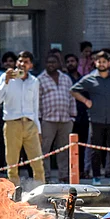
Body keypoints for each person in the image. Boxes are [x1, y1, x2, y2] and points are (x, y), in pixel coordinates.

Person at [71, 50, 110, 187]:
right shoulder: (89, 79)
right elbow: (73, 90)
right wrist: (86, 101)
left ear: (109, 63)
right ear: (95, 63)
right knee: (95, 150)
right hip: (96, 119)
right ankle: (96, 177)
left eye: (104, 61)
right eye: (99, 61)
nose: (102, 64)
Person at [0, 51, 45, 185]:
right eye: (20, 61)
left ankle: (40, 190)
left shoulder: (34, 81)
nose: (22, 64)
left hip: (30, 124)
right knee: (12, 163)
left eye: (26, 62)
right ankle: (13, 192)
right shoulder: (6, 77)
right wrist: (6, 81)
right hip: (12, 123)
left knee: (37, 161)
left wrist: (38, 130)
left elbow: (35, 107)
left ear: (31, 65)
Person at [39, 54, 77, 182]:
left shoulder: (66, 78)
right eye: (48, 62)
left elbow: (72, 97)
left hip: (65, 119)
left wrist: (72, 116)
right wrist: (39, 119)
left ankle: (64, 175)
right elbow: (37, 100)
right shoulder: (40, 79)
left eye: (54, 62)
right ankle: (46, 176)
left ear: (59, 64)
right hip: (48, 119)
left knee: (64, 149)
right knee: (45, 150)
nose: (51, 64)